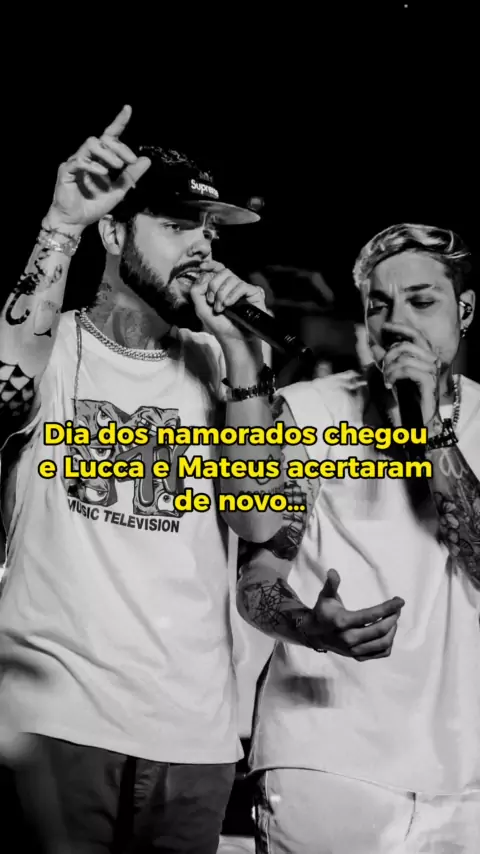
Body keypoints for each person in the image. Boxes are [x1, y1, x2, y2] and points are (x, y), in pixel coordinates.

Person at [0, 105, 282, 853]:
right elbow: (4, 381)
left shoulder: (226, 367)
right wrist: (61, 223)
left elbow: (258, 522)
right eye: (178, 225)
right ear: (115, 233)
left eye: (209, 230)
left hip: (195, 737)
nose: (203, 245)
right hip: (54, 721)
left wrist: (244, 357)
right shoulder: (52, 347)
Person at [237, 223, 480, 853]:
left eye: (422, 301)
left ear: (465, 310)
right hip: (323, 756)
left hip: (465, 774)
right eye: (380, 304)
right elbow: (257, 580)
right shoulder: (308, 411)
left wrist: (432, 428)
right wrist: (310, 627)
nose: (397, 322)